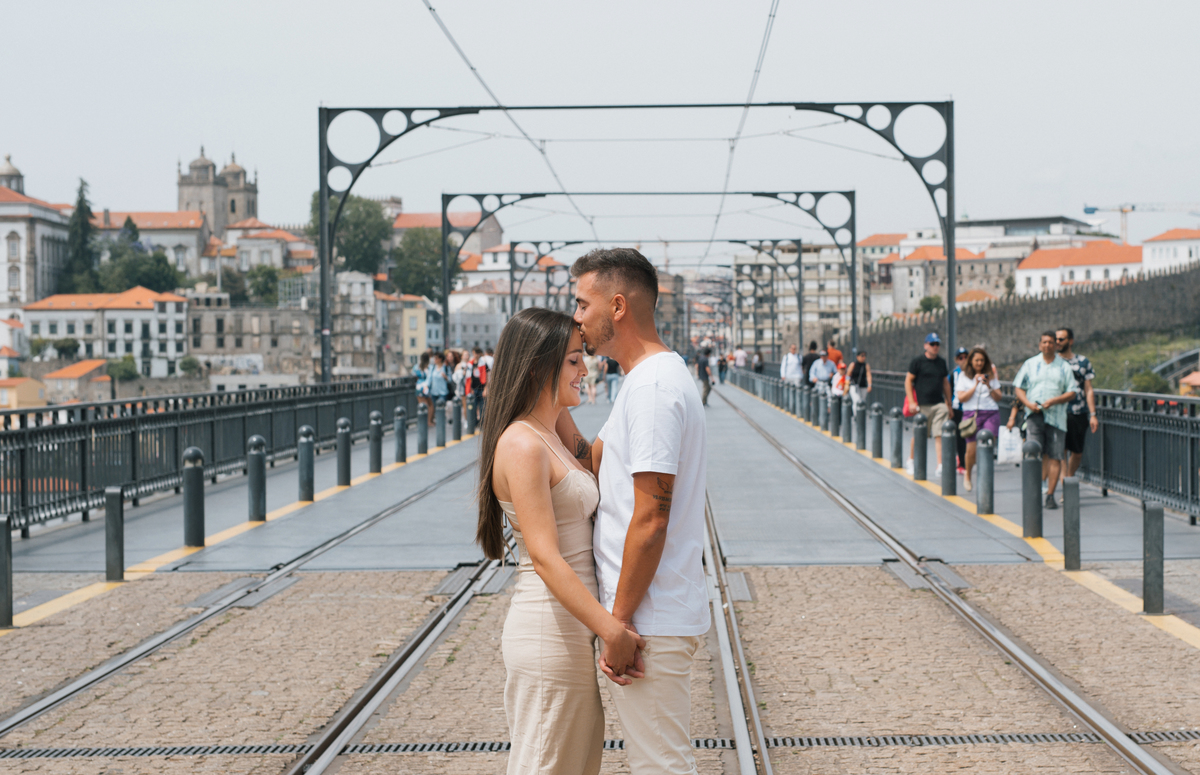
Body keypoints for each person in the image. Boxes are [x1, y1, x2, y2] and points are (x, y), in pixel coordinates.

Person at [554, 247, 710, 775]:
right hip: (653, 614)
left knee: (660, 766)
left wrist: (617, 624)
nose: (576, 318)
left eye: (581, 304)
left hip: (648, 620)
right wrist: (542, 397)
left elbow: (651, 518)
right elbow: (595, 463)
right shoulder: (646, 380)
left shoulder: (653, 389)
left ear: (616, 305)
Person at [476, 308, 644, 775]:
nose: (585, 370)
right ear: (537, 366)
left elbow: (596, 463)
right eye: (573, 360)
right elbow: (546, 558)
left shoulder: (552, 430)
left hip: (571, 632)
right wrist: (613, 632)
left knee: (573, 763)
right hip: (548, 632)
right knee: (546, 765)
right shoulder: (523, 445)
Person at [1010, 331, 1078, 510]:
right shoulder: (1030, 364)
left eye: (1051, 342)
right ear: (1040, 345)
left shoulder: (1063, 367)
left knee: (1056, 455)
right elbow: (1018, 387)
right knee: (1033, 452)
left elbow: (1072, 391)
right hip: (1034, 415)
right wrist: (1028, 404)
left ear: (1056, 345)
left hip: (1056, 417)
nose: (1047, 345)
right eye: (1044, 342)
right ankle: (1033, 490)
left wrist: (1054, 401)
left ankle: (1050, 495)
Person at [905, 333, 953, 477]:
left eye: (937, 344)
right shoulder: (917, 362)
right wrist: (912, 402)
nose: (935, 347)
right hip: (922, 405)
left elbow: (946, 383)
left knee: (939, 434)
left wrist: (949, 404)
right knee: (919, 434)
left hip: (938, 404)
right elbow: (908, 381)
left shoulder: (941, 362)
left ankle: (940, 465)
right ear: (926, 345)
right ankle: (911, 460)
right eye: (932, 344)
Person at [955, 347, 1002, 492]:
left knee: (988, 445)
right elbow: (961, 397)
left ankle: (985, 475)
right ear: (971, 361)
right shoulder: (964, 376)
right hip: (972, 414)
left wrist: (988, 385)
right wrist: (975, 385)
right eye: (977, 360)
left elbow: (999, 397)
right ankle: (968, 474)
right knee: (971, 450)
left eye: (982, 360)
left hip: (990, 412)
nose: (979, 363)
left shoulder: (991, 375)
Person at [1057, 327, 1098, 482]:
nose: (1058, 342)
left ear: (1070, 341)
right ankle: (1065, 483)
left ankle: (1069, 478)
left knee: (1077, 451)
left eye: (1061, 339)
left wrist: (1093, 414)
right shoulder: (1053, 362)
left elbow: (1088, 389)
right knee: (1061, 450)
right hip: (1058, 411)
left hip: (1078, 412)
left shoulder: (1083, 362)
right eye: (1057, 339)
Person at [951, 347, 969, 473]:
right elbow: (948, 389)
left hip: (970, 408)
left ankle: (968, 459)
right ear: (956, 360)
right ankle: (962, 462)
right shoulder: (954, 374)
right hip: (957, 408)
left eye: (965, 357)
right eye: (960, 358)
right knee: (960, 437)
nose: (963, 360)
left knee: (970, 435)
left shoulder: (973, 372)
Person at [470, 346, 488, 427]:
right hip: (473, 388)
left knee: (482, 406)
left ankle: (482, 422)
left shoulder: (483, 363)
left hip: (481, 387)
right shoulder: (471, 363)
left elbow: (487, 376)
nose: (475, 355)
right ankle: (475, 422)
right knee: (473, 405)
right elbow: (468, 378)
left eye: (477, 353)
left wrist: (485, 388)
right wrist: (470, 388)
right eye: (474, 353)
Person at [414, 351, 434, 422]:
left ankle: (422, 421)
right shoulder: (430, 367)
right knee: (430, 404)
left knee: (421, 405)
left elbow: (414, 374)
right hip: (426, 387)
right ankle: (429, 421)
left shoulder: (417, 366)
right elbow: (430, 377)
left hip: (418, 386)